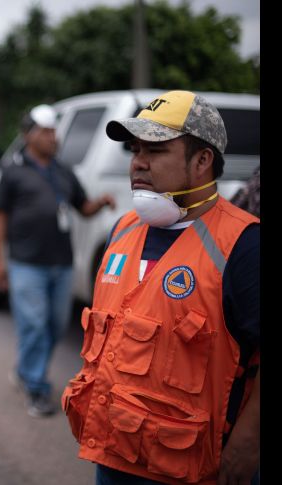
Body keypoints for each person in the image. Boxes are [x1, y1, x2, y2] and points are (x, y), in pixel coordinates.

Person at [61, 90, 260, 484]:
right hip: (114, 454)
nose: (138, 162)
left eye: (156, 150)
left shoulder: (243, 244)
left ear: (202, 160)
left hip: (193, 468)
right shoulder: (123, 230)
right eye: (135, 149)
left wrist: (249, 442)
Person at [0, 104, 116, 418]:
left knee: (55, 326)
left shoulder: (63, 171)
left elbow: (82, 207)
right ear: (29, 135)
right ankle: (35, 385)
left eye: (53, 131)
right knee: (33, 324)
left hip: (61, 263)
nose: (52, 137)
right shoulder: (13, 171)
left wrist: (100, 203)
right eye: (46, 131)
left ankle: (24, 371)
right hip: (25, 263)